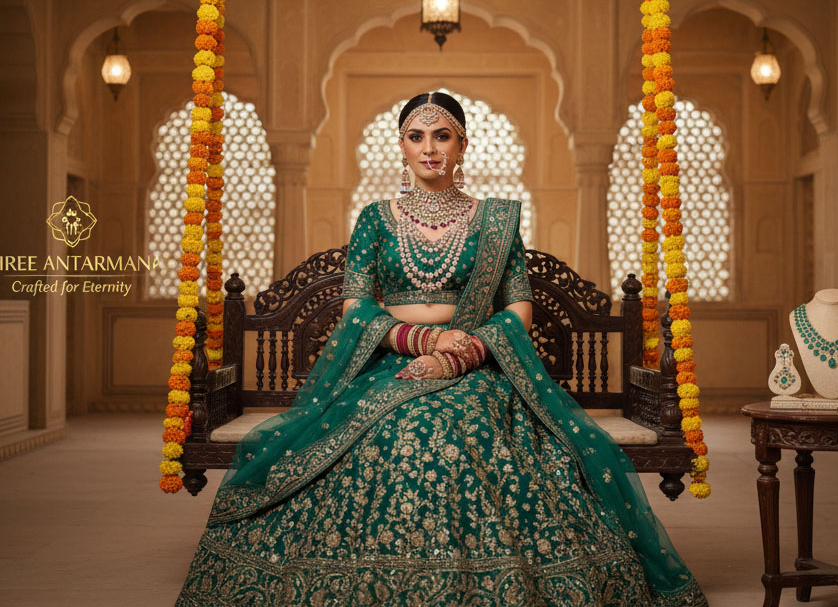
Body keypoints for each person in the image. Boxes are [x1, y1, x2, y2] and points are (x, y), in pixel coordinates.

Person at [175, 92, 708, 606]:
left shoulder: (494, 221)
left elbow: (518, 311)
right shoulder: (375, 219)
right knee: (393, 430)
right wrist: (425, 340)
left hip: (479, 362)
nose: (429, 147)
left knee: (460, 430)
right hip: (392, 362)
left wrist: (457, 354)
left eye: (441, 135)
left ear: (463, 145)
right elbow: (355, 309)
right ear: (402, 146)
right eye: (416, 136)